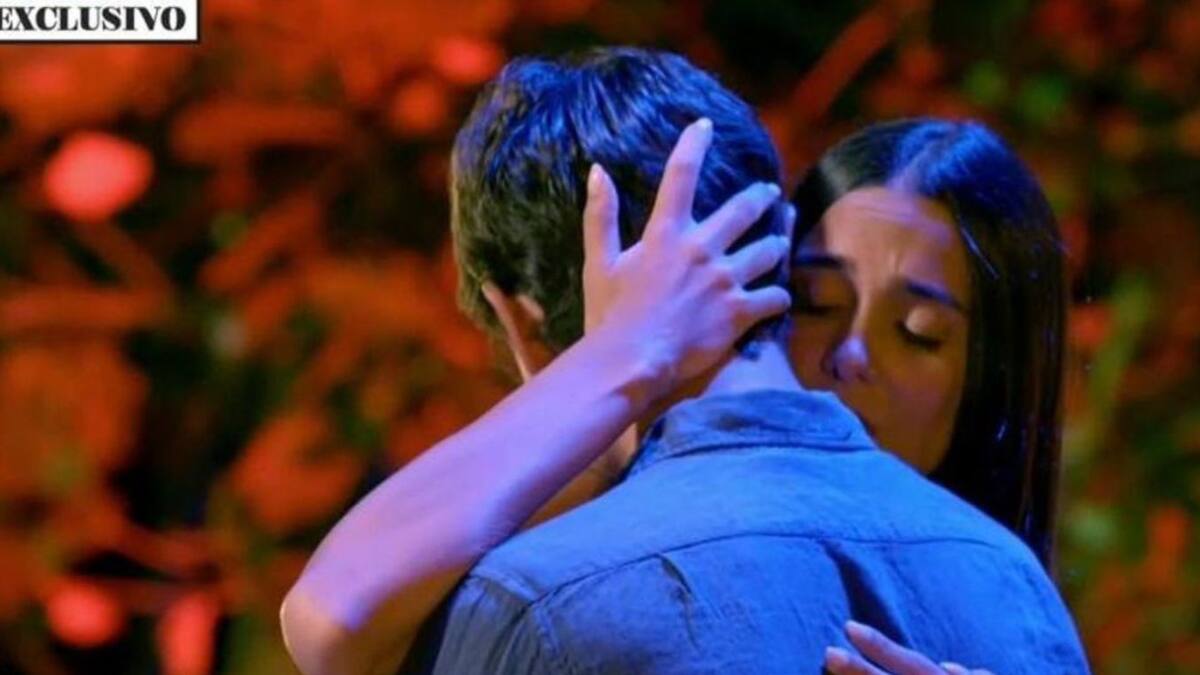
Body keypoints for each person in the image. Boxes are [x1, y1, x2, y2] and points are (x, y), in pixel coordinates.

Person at [280, 48, 1088, 675]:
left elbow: (332, 616)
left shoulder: (536, 605)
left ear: (521, 320)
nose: (849, 358)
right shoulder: (1013, 587)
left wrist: (621, 352)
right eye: (819, 302)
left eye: (918, 330)